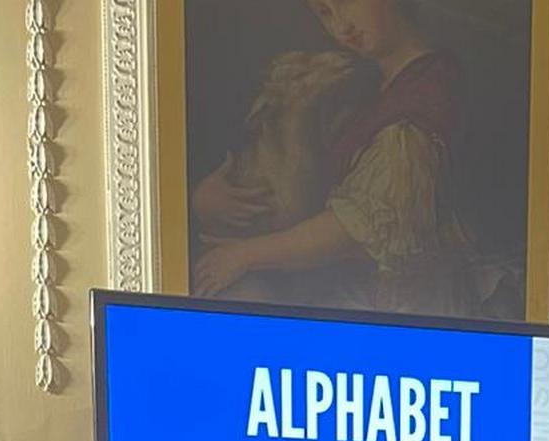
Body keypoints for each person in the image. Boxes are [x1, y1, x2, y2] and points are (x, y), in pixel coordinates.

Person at [191, 0, 495, 316]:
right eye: (325, 12)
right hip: (344, 292)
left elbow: (354, 229)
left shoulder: (422, 100)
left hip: (398, 308)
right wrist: (203, 201)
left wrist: (245, 255)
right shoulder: (364, 87)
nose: (341, 26)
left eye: (347, 2)